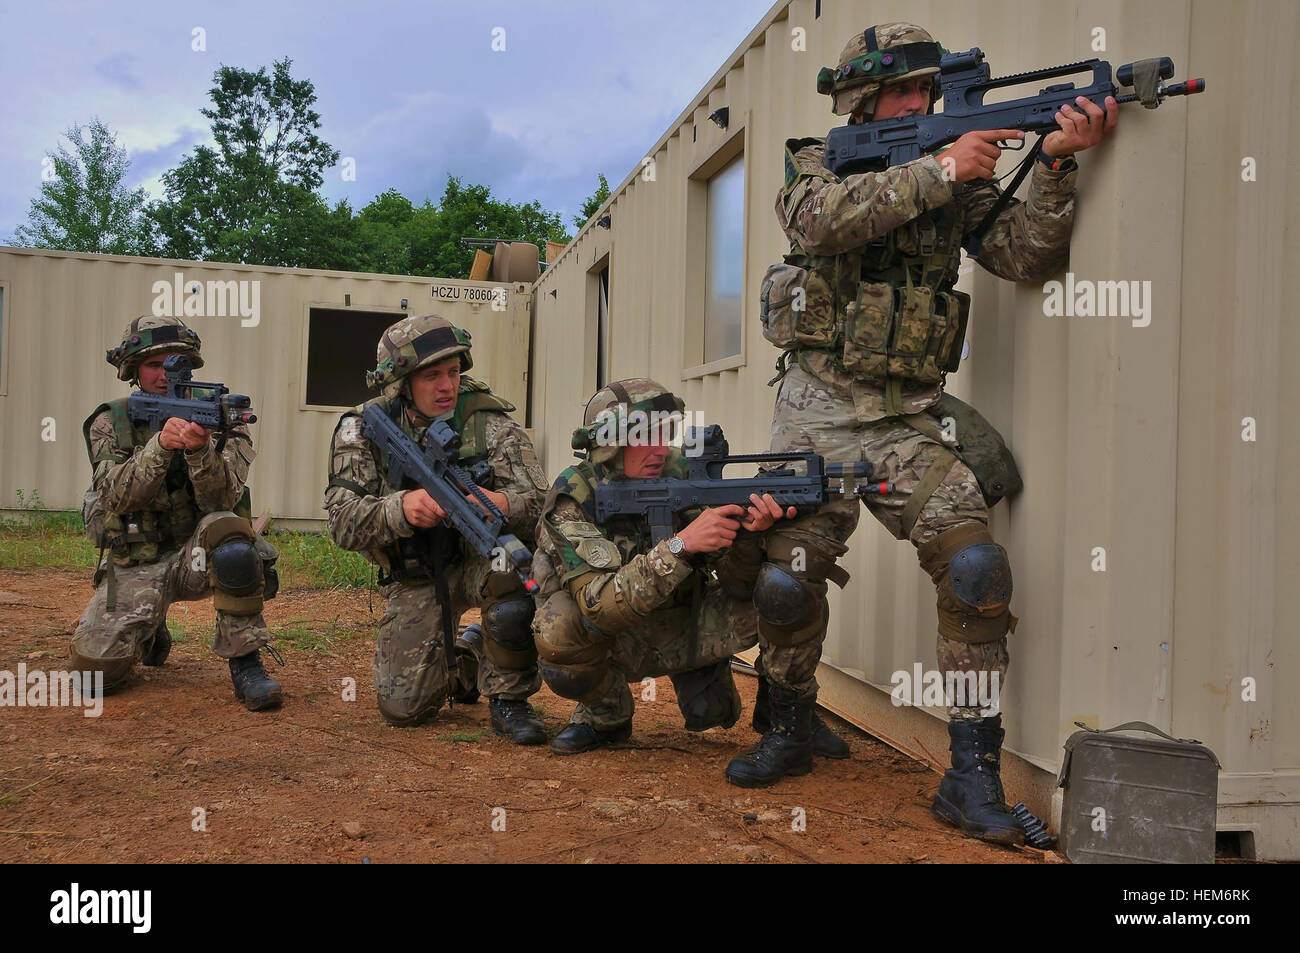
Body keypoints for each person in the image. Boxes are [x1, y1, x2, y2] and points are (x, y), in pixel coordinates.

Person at [753, 22, 1117, 836]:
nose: (924, 103)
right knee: (784, 578)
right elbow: (817, 223)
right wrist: (941, 168)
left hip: (906, 418)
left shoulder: (959, 179)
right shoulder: (816, 163)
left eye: (930, 90)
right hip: (811, 413)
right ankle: (789, 723)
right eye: (908, 92)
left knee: (976, 564)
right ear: (864, 100)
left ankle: (971, 773)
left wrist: (1054, 163)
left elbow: (1027, 255)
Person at [532, 379, 833, 764]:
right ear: (610, 443)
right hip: (618, 639)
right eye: (645, 437)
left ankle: (786, 713)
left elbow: (739, 585)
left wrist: (745, 537)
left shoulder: (683, 470)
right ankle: (604, 716)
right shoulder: (574, 494)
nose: (660, 448)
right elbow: (599, 607)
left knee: (789, 590)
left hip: (688, 623)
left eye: (665, 432)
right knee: (559, 627)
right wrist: (682, 545)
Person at [323, 314, 548, 743]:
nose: (447, 385)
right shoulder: (363, 427)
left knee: (514, 575)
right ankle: (469, 648)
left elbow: (544, 505)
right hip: (417, 572)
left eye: (453, 372)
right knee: (403, 709)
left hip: (482, 563)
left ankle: (509, 699)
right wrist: (401, 509)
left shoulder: (492, 422)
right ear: (401, 382)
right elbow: (340, 522)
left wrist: (502, 502)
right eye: (432, 376)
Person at [72, 315, 282, 710]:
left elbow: (223, 499)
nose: (166, 375)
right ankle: (150, 629)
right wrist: (159, 447)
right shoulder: (111, 421)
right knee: (93, 676)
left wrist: (200, 450)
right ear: (133, 370)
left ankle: (246, 661)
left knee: (230, 534)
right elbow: (114, 497)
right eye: (154, 364)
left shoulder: (221, 418)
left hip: (197, 556)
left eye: (176, 363)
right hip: (137, 563)